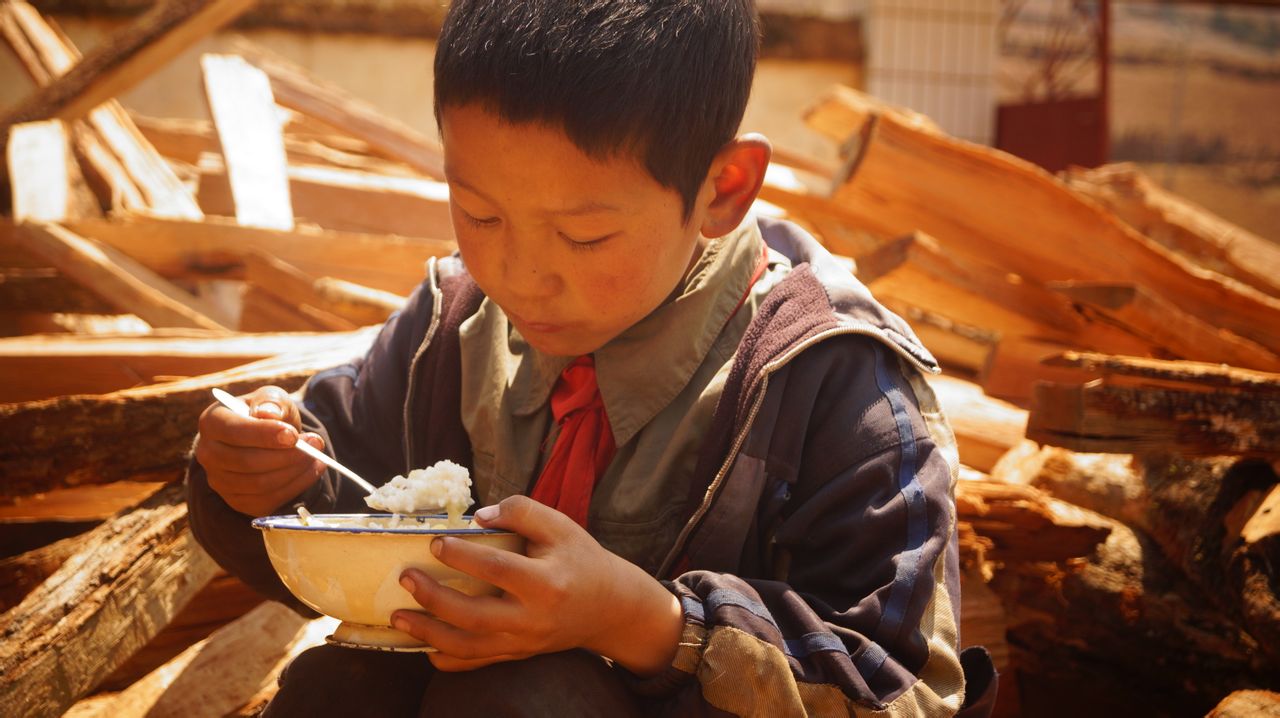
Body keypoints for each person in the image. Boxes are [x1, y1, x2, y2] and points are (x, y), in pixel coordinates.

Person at [185, 0, 997, 715]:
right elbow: (341, 482)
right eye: (479, 213)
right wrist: (268, 476)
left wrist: (647, 625)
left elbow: (907, 693)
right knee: (340, 688)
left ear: (723, 188)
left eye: (583, 236)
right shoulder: (456, 325)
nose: (518, 274)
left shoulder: (830, 374)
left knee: (522, 698)